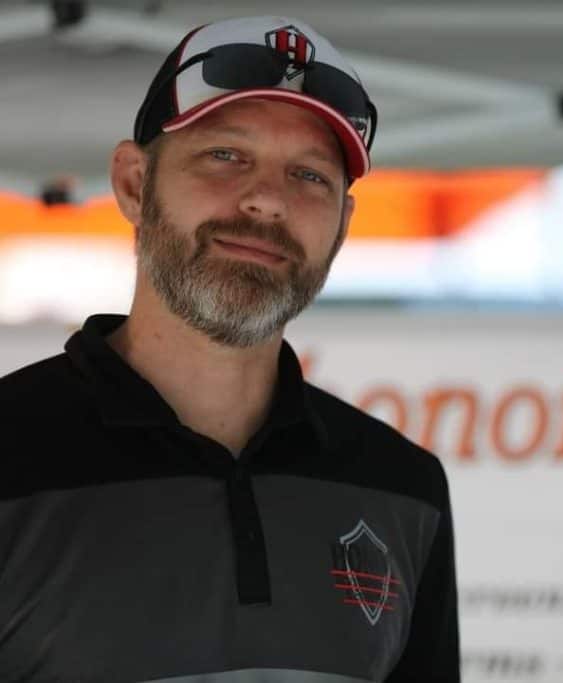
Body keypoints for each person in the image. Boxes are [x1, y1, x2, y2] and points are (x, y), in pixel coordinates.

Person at [0, 16, 459, 682]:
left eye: (310, 175)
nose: (268, 199)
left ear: (342, 225)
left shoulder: (402, 487)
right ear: (132, 183)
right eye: (226, 155)